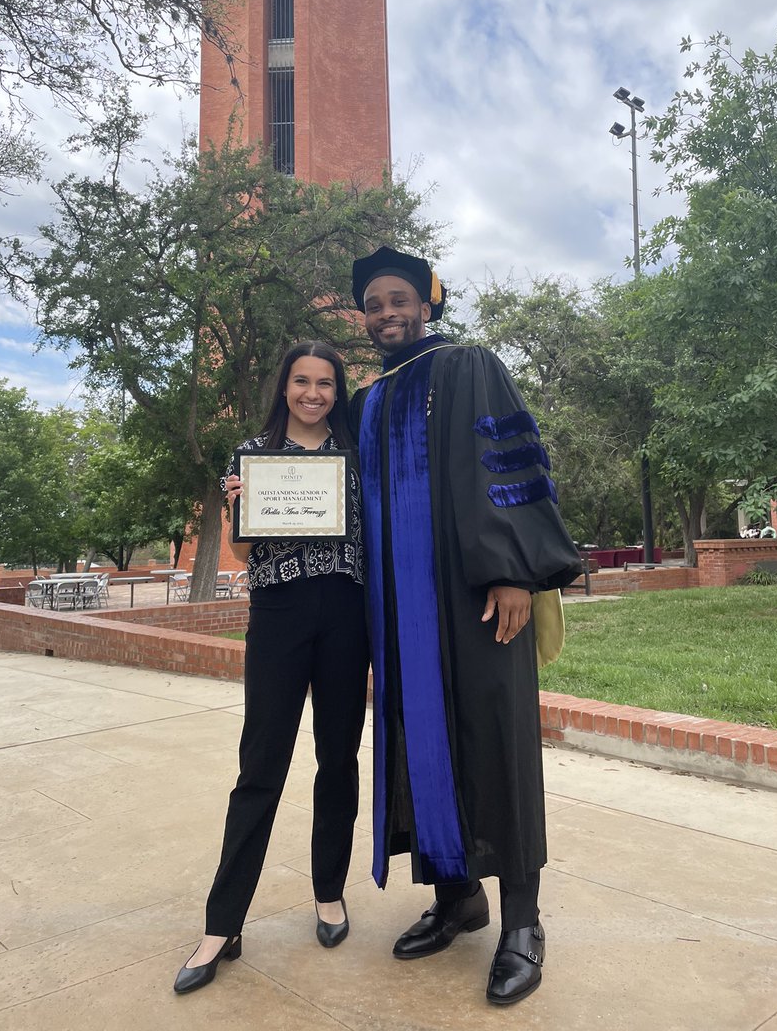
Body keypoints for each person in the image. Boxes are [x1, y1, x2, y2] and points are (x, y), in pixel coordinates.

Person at [350, 246, 581, 1006]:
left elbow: (504, 468)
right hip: (402, 610)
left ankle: (522, 920)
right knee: (422, 747)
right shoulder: (372, 399)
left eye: (399, 299)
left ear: (428, 302)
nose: (387, 312)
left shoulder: (469, 363)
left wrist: (513, 570)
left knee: (497, 741)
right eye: (374, 303)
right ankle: (458, 898)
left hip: (479, 597)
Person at [173, 341, 369, 995]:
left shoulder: (353, 459)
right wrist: (241, 500)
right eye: (301, 381)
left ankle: (329, 891)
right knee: (260, 767)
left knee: (338, 759)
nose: (313, 393)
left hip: (346, 614)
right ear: (284, 386)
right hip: (280, 615)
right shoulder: (252, 456)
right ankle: (221, 923)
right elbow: (242, 545)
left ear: (336, 392)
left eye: (325, 384)